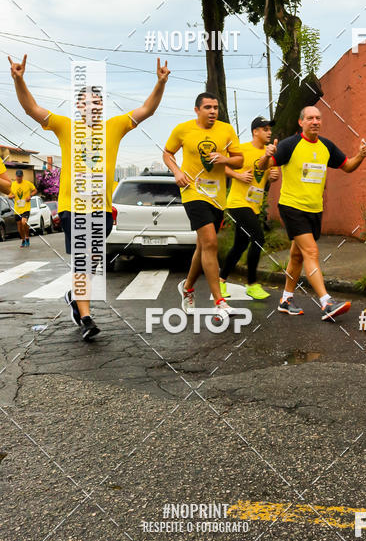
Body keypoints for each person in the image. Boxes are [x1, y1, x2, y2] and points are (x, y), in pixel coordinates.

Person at [9, 54, 170, 340]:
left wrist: (160, 83)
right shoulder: (65, 126)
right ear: (77, 107)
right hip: (73, 207)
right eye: (85, 103)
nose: (91, 107)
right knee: (83, 261)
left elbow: (147, 109)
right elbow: (31, 108)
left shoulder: (114, 127)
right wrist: (19, 79)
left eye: (96, 103)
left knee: (93, 261)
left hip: (102, 210)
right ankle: (86, 316)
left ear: (101, 108)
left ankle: (74, 296)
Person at [258, 105, 366, 319]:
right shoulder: (289, 145)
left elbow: (347, 166)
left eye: (318, 118)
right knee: (311, 252)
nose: (315, 122)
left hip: (315, 209)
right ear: (301, 122)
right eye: (310, 118)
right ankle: (326, 302)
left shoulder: (326, 147)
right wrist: (266, 156)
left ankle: (285, 299)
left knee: (297, 255)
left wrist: (361, 155)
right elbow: (263, 166)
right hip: (292, 207)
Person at [163, 92, 242, 319]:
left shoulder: (226, 130)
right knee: (210, 242)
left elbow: (239, 159)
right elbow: (167, 153)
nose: (213, 111)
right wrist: (177, 172)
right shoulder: (183, 129)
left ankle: (187, 287)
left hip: (217, 196)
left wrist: (224, 158)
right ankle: (220, 302)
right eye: (208, 107)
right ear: (197, 110)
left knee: (203, 247)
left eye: (215, 107)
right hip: (193, 191)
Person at [219, 116, 279, 300]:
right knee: (258, 237)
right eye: (265, 129)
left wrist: (274, 176)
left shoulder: (271, 153)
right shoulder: (242, 149)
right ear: (255, 132)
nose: (269, 132)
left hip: (254, 205)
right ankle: (252, 284)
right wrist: (237, 176)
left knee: (240, 244)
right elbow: (223, 167)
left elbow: (267, 176)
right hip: (237, 203)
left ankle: (220, 281)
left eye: (270, 129)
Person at [8, 168, 36, 247]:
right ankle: (23, 240)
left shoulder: (27, 183)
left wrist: (30, 196)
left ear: (22, 176)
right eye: (17, 176)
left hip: (26, 207)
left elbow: (35, 190)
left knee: (24, 222)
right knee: (19, 227)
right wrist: (11, 196)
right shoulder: (13, 184)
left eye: (20, 176)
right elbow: (10, 194)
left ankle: (27, 237)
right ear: (16, 176)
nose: (19, 178)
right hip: (17, 209)